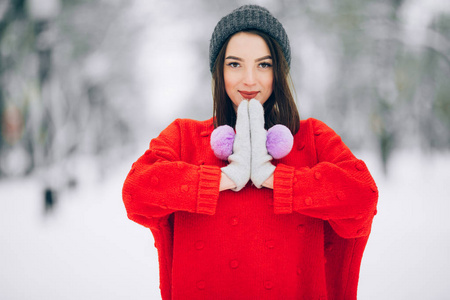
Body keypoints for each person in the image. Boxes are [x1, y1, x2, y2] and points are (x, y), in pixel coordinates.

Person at [122, 4, 378, 300]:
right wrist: (225, 177)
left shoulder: (313, 137)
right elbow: (135, 192)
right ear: (218, 70)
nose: (249, 80)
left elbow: (364, 196)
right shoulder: (185, 137)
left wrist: (277, 179)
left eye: (263, 64)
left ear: (278, 71)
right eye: (234, 64)